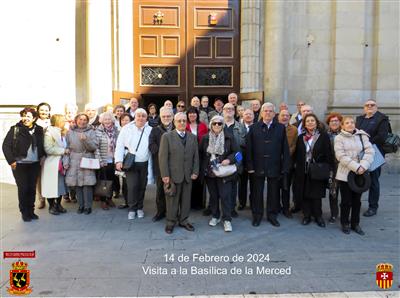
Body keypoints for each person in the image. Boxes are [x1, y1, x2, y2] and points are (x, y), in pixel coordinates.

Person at [246, 103, 290, 227]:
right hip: (257, 165)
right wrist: (250, 166)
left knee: (274, 192)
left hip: (274, 165)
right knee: (256, 192)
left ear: (274, 113)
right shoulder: (254, 127)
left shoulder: (280, 128)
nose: (268, 113)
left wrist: (285, 166)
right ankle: (257, 216)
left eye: (270, 111)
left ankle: (272, 215)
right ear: (261, 112)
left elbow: (285, 149)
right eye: (265, 111)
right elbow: (249, 149)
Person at [159, 112, 199, 234]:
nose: (182, 123)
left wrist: (195, 171)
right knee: (172, 200)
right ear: (174, 122)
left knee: (186, 200)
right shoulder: (167, 136)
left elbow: (196, 156)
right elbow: (162, 157)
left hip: (188, 175)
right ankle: (170, 222)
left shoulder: (192, 137)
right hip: (173, 175)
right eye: (179, 121)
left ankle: (184, 220)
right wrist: (165, 175)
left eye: (183, 120)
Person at [2, 107, 45, 222]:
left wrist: (42, 156)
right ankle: (24, 212)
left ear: (34, 118)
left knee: (31, 188)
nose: (25, 118)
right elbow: (5, 146)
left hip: (34, 163)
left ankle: (31, 211)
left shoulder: (39, 129)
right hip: (19, 164)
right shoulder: (15, 129)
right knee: (23, 188)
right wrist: (11, 161)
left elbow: (41, 145)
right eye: (24, 116)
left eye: (28, 116)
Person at [334, 116, 374, 235]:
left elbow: (370, 151)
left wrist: (363, 166)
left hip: (360, 173)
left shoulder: (362, 136)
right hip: (345, 174)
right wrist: (356, 167)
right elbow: (340, 156)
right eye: (347, 123)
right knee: (346, 201)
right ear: (342, 125)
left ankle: (355, 223)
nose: (350, 124)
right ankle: (345, 223)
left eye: (352, 122)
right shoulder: (339, 138)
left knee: (357, 201)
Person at [293, 113, 334, 227]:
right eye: (308, 121)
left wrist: (329, 168)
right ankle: (306, 216)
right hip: (303, 169)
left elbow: (328, 153)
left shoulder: (323, 136)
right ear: (305, 124)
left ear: (316, 123)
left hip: (317, 169)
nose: (310, 123)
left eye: (312, 121)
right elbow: (297, 153)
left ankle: (318, 216)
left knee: (316, 193)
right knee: (305, 193)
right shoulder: (301, 137)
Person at [199, 115, 239, 232]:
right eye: (214, 123)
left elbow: (238, 154)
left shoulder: (229, 137)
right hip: (210, 172)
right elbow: (201, 154)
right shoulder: (205, 138)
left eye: (219, 123)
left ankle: (227, 219)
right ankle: (215, 216)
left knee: (225, 196)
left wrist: (229, 160)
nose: (217, 125)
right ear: (211, 124)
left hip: (224, 172)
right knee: (213, 196)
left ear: (222, 125)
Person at [115, 108, 152, 220]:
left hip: (144, 162)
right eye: (138, 115)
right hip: (131, 163)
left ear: (146, 118)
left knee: (142, 186)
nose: (141, 118)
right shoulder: (126, 128)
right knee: (132, 186)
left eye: (143, 116)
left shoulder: (150, 129)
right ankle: (132, 208)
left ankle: (140, 207)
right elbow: (120, 145)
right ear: (135, 117)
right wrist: (118, 160)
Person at [356, 99, 389, 217]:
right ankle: (356, 203)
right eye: (367, 105)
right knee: (359, 178)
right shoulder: (359, 119)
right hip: (359, 153)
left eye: (372, 105)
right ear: (364, 107)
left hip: (375, 153)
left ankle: (373, 207)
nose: (369, 106)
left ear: (376, 107)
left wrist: (365, 144)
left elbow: (382, 136)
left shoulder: (382, 119)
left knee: (374, 180)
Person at [64, 113, 99, 214]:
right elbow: (67, 148)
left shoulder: (91, 132)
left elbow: (94, 147)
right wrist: (66, 161)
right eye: (80, 119)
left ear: (87, 121)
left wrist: (86, 140)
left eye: (84, 120)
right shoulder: (70, 132)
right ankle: (81, 205)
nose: (82, 121)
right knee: (77, 184)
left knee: (87, 184)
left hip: (87, 158)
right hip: (74, 159)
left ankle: (88, 206)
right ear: (76, 120)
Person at [149, 107, 175, 222]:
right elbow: (151, 145)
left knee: (174, 190)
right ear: (160, 117)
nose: (166, 118)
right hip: (160, 165)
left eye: (168, 116)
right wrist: (163, 153)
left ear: (172, 117)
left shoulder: (177, 128)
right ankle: (160, 212)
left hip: (175, 165)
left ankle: (173, 213)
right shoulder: (155, 130)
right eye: (164, 116)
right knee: (160, 190)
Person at [41, 114, 69, 215]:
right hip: (52, 163)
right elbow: (48, 148)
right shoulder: (49, 133)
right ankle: (51, 206)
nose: (64, 122)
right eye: (62, 120)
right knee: (51, 185)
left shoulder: (63, 132)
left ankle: (58, 204)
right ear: (57, 121)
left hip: (61, 162)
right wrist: (63, 151)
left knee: (60, 185)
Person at [223, 103, 246, 217]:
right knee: (220, 187)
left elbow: (243, 147)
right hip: (221, 161)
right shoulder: (217, 124)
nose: (229, 110)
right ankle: (216, 208)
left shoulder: (240, 127)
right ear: (223, 110)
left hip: (236, 160)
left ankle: (231, 208)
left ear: (234, 111)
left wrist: (238, 163)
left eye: (231, 109)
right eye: (226, 109)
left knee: (233, 187)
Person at [95, 112, 120, 210]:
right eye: (105, 119)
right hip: (103, 160)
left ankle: (109, 198)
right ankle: (103, 200)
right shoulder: (98, 131)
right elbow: (96, 147)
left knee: (112, 180)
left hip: (113, 160)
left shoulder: (116, 131)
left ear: (112, 120)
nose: (107, 121)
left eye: (109, 119)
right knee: (103, 181)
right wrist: (100, 160)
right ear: (102, 121)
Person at [186, 107, 208, 209]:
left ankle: (199, 204)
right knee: (190, 179)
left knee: (200, 180)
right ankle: (189, 203)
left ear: (197, 115)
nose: (192, 115)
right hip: (188, 156)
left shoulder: (203, 126)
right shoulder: (185, 125)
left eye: (194, 113)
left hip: (201, 156)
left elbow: (207, 140)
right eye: (190, 113)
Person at [278, 109, 298, 218]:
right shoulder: (274, 128)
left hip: (287, 162)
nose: (285, 117)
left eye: (287, 115)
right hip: (275, 162)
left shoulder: (294, 129)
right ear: (278, 117)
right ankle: (276, 206)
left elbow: (294, 145)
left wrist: (285, 155)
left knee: (286, 186)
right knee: (275, 186)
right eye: (282, 115)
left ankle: (286, 208)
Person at [326, 112, 343, 223]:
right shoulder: (325, 135)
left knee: (347, 192)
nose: (334, 123)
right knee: (333, 192)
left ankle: (346, 213)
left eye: (336, 120)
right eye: (332, 121)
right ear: (329, 123)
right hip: (332, 167)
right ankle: (334, 214)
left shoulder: (345, 133)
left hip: (345, 167)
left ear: (340, 122)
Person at [35, 102, 51, 209]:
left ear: (49, 111)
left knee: (49, 177)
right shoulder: (35, 123)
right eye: (42, 110)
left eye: (46, 110)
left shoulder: (52, 122)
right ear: (38, 111)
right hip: (39, 153)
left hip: (51, 153)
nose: (44, 112)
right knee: (39, 178)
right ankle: (41, 199)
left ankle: (51, 199)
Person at [238, 109, 254, 210]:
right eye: (246, 114)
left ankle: (253, 202)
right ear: (242, 116)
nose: (248, 116)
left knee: (254, 183)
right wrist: (238, 160)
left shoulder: (257, 127)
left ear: (253, 116)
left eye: (250, 114)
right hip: (241, 159)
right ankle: (242, 203)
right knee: (242, 183)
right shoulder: (238, 128)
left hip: (253, 160)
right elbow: (235, 146)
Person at [116, 113, 132, 209]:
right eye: (123, 120)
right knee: (124, 181)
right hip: (121, 157)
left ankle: (132, 201)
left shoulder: (133, 131)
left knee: (131, 181)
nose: (125, 122)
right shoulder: (118, 131)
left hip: (130, 157)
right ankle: (126, 201)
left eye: (127, 120)